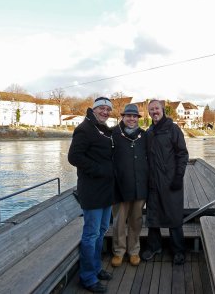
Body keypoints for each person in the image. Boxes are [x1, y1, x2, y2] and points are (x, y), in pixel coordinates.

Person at [68, 97, 115, 293]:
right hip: (92, 190)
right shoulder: (84, 129)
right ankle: (87, 277)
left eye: (108, 109)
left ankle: (95, 268)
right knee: (91, 234)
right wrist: (99, 170)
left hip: (106, 191)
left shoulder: (103, 129)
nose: (105, 112)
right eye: (102, 108)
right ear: (94, 109)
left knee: (102, 230)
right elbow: (74, 157)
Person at [141, 99, 189, 265]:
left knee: (173, 215)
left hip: (170, 181)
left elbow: (182, 154)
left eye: (157, 108)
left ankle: (178, 250)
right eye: (151, 109)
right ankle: (154, 246)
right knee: (153, 215)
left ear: (162, 110)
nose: (154, 111)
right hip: (153, 181)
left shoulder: (173, 129)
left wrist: (178, 176)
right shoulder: (149, 131)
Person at [111, 104, 148, 267]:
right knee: (119, 221)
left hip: (140, 185)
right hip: (119, 185)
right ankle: (119, 252)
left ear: (138, 119)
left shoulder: (144, 135)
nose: (132, 119)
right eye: (129, 116)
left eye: (135, 116)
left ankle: (134, 251)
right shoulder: (113, 134)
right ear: (123, 117)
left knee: (136, 220)